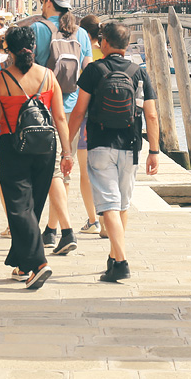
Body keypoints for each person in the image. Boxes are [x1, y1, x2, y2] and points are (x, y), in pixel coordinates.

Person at [0, 25, 73, 291]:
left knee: (19, 208)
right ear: (33, 47)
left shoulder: (0, 80)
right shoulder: (48, 77)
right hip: (45, 147)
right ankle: (22, 265)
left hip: (13, 147)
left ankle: (39, 263)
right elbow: (60, 118)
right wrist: (67, 152)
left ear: (7, 49)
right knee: (31, 207)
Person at [68, 21, 159, 282]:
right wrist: (154, 151)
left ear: (104, 43)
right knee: (121, 205)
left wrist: (67, 147)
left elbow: (78, 112)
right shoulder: (139, 73)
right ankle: (113, 256)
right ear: (127, 45)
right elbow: (151, 115)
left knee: (108, 205)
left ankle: (120, 261)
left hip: (100, 144)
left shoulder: (94, 70)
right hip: (130, 146)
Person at [31, 0, 93, 255]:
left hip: (43, 108)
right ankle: (51, 229)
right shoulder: (82, 34)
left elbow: (29, 68)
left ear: (47, 3)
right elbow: (88, 71)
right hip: (73, 108)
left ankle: (55, 230)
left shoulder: (38, 29)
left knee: (47, 171)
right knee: (64, 169)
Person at [75, 14, 105, 234]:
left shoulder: (81, 54)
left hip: (85, 116)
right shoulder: (106, 53)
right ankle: (106, 218)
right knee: (105, 172)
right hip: (108, 118)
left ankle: (93, 220)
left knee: (85, 172)